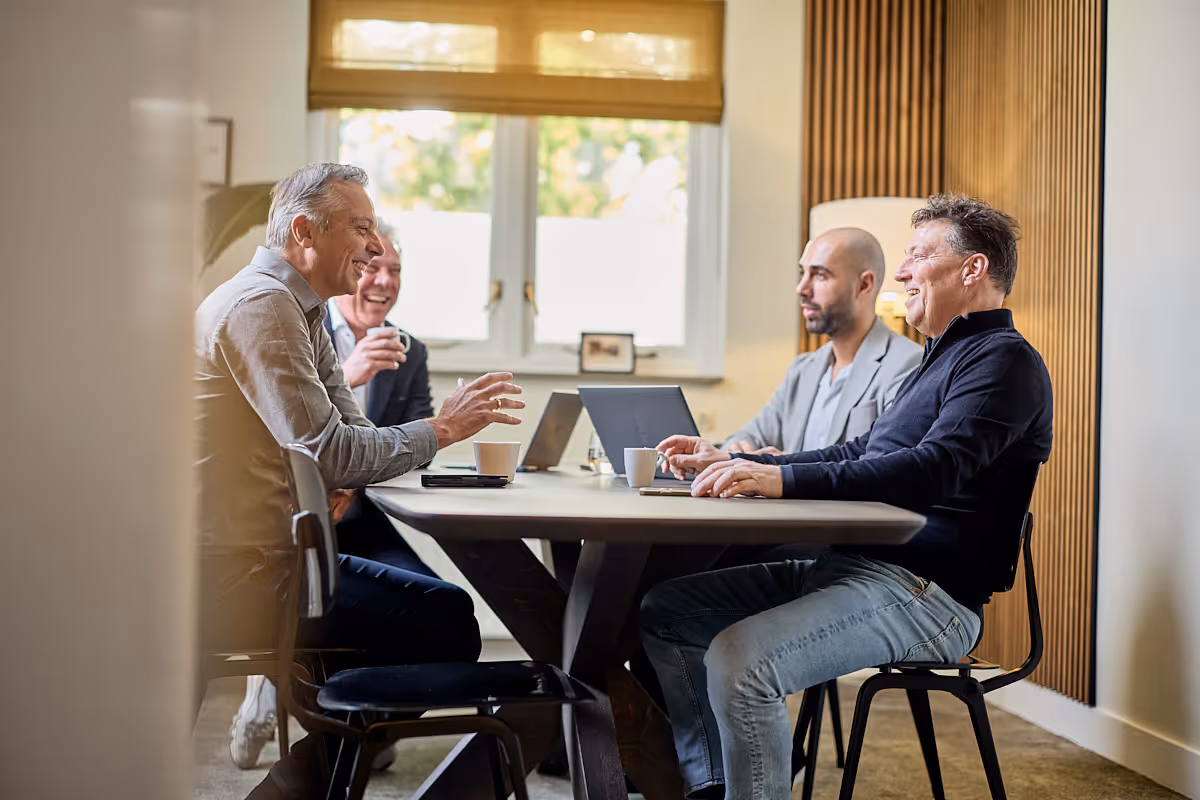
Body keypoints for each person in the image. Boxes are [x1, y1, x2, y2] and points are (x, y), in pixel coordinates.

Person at [643, 193, 1053, 800]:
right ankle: (722, 785)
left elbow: (930, 471)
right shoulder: (937, 363)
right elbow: (856, 453)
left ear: (972, 269)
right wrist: (738, 460)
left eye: (918, 256)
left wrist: (781, 480)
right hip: (854, 568)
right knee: (666, 610)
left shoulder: (1004, 362)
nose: (905, 272)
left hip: (927, 596)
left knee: (741, 660)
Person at [195, 162, 524, 800]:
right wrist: (445, 428)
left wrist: (427, 430)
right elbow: (336, 453)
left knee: (447, 617)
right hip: (231, 573)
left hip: (272, 555)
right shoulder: (263, 306)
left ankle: (309, 774)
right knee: (445, 626)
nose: (375, 247)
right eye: (361, 228)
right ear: (303, 233)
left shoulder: (301, 310)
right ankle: (303, 782)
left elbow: (351, 440)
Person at [226, 222, 442, 770]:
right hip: (298, 514)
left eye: (396, 271)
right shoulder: (296, 324)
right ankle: (274, 694)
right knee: (426, 617)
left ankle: (363, 724)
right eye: (374, 266)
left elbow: (415, 437)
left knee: (432, 595)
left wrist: (355, 477)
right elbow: (285, 429)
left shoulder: (407, 348)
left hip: (364, 513)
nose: (384, 280)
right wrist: (352, 370)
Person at [723, 228, 921, 457]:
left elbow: (885, 464)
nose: (802, 289)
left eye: (819, 275)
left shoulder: (908, 365)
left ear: (864, 285)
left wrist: (782, 466)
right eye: (802, 274)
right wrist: (736, 449)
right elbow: (750, 435)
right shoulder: (802, 369)